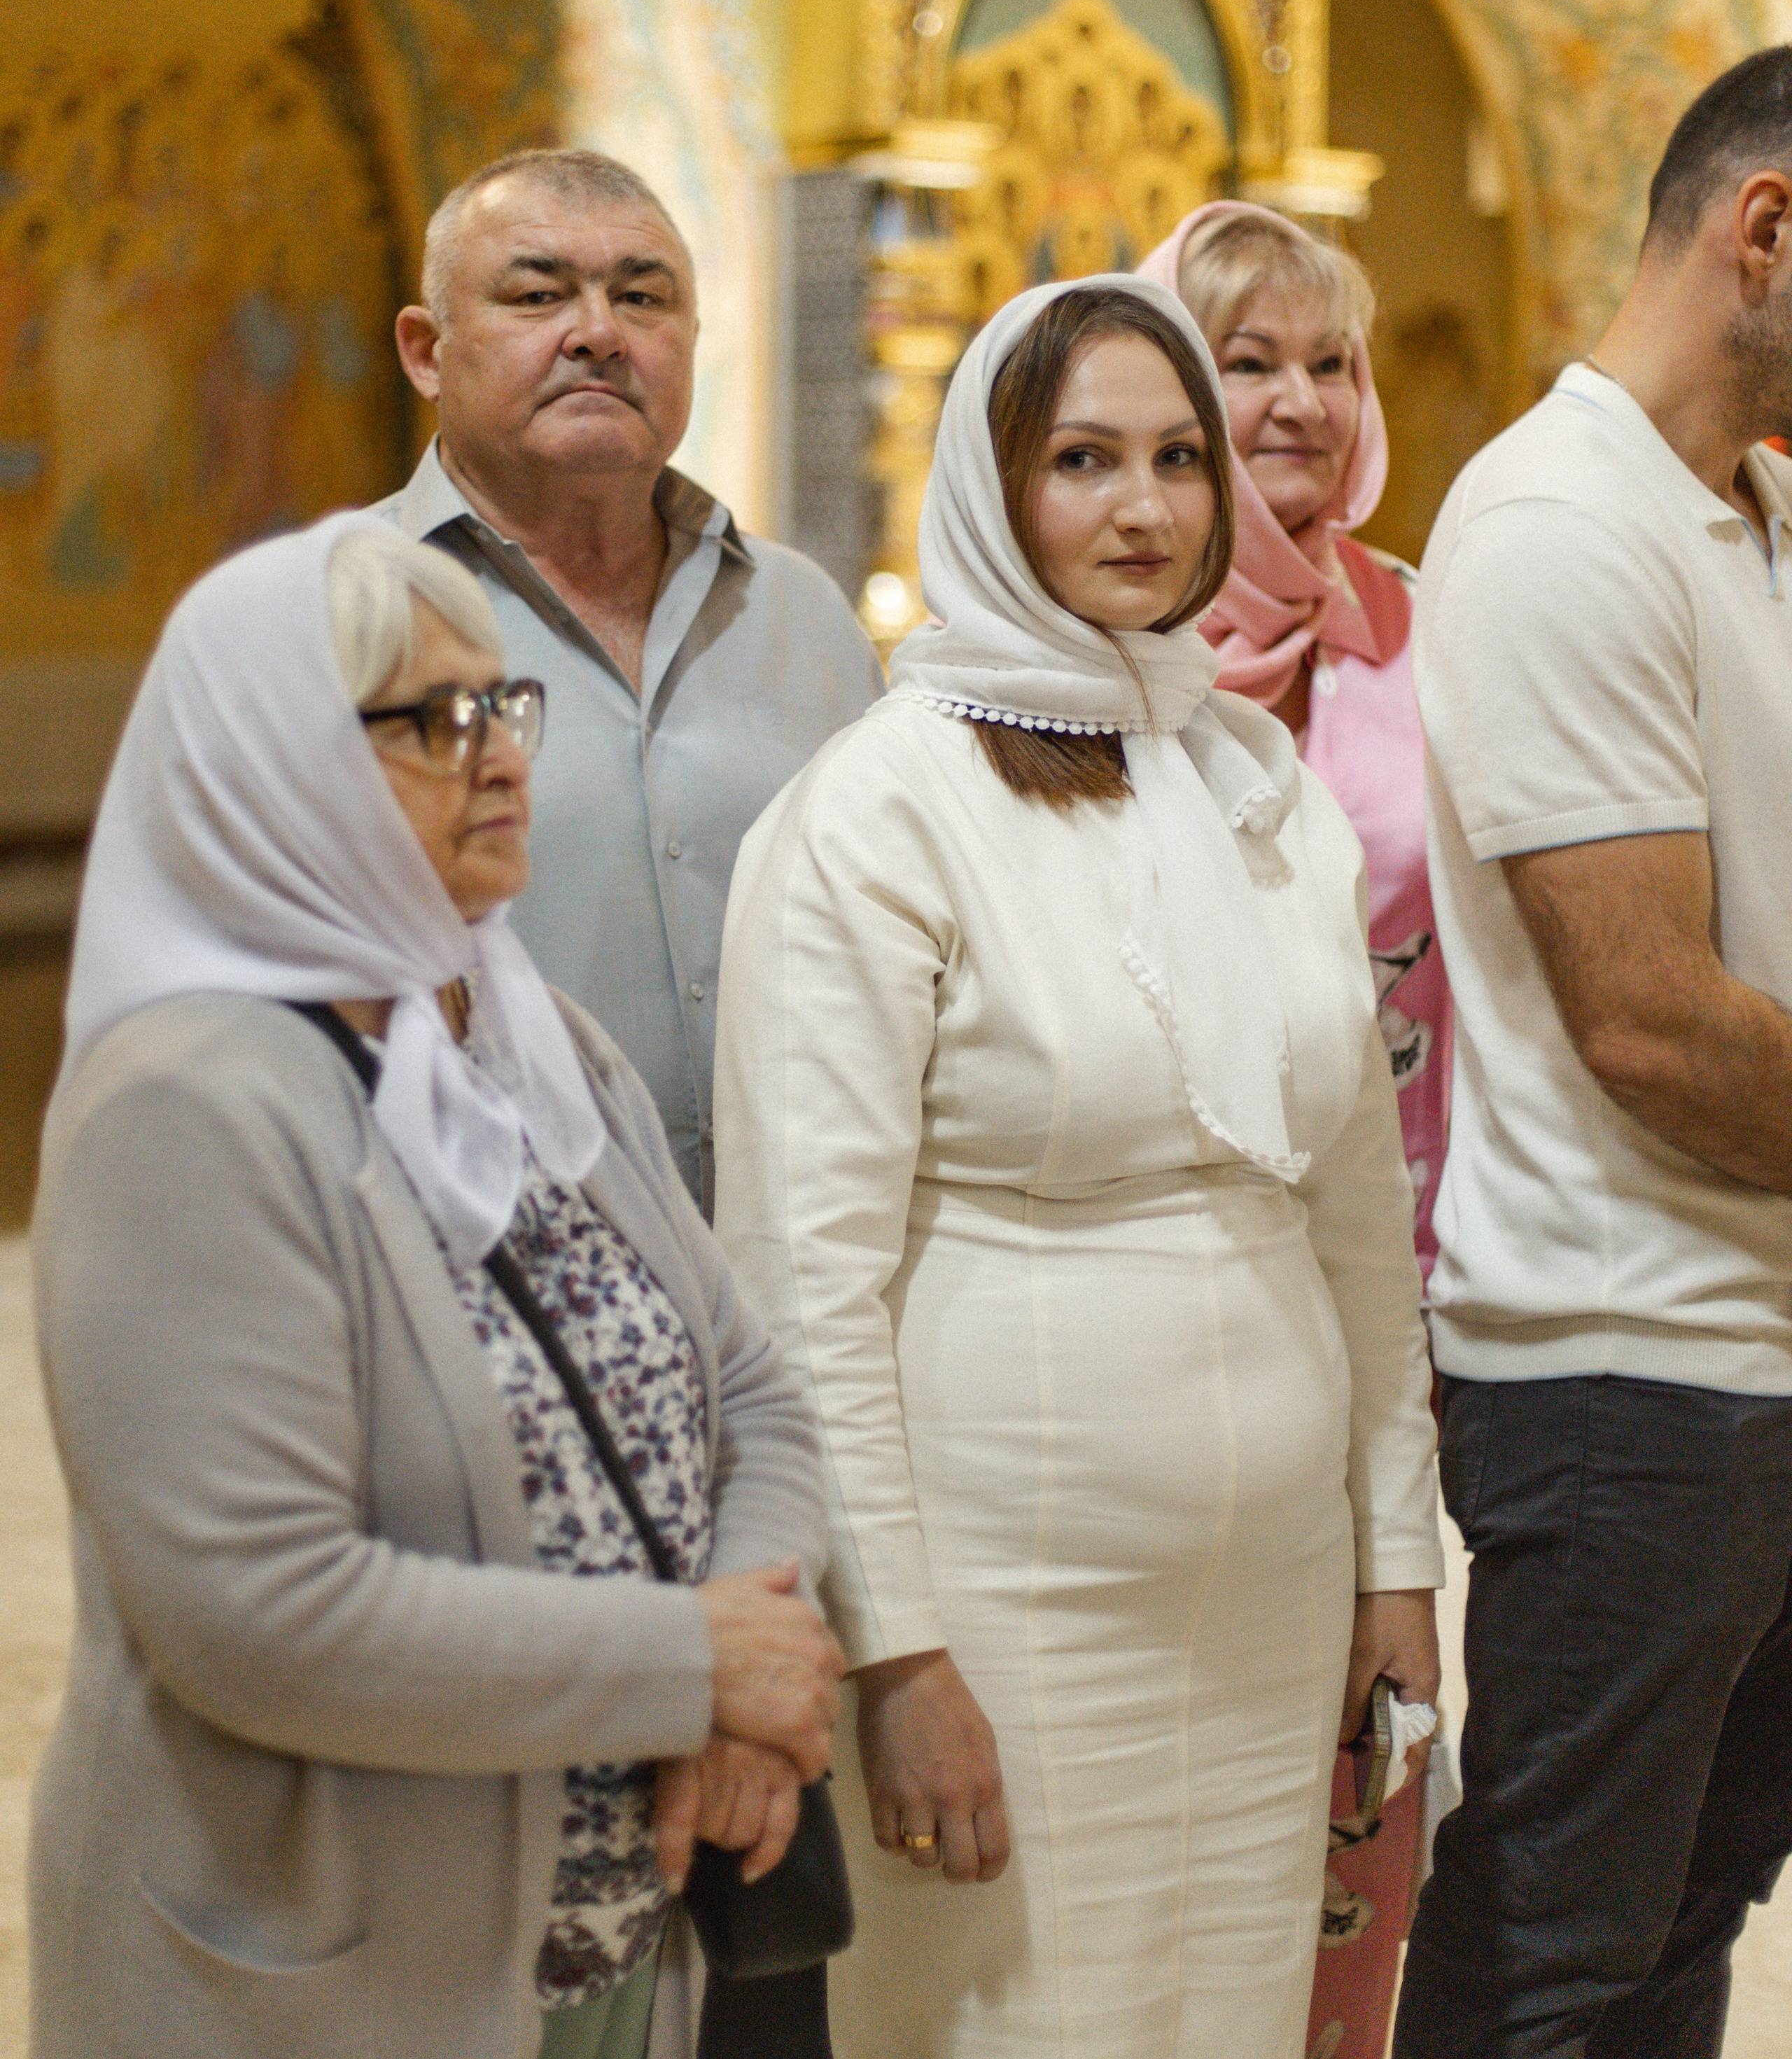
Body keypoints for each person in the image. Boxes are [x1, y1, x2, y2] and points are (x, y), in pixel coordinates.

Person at [713, 274, 1443, 2059]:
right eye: (1082, 459)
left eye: (1179, 459)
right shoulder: (881, 808)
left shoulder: (1256, 788)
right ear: (989, 484)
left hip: (1271, 1593)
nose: (1143, 507)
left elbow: (1357, 1217)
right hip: (1006, 1596)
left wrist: (1393, 1559)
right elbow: (803, 1279)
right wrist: (892, 1652)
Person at [29, 518, 843, 2059]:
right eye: (430, 717)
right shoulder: (189, 1100)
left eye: (502, 703)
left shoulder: (529, 1032)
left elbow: (749, 1392)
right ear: (273, 761)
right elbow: (258, 1610)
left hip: (612, 1934)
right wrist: (692, 1666)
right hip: (331, 1977)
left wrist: (740, 1685)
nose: (501, 755)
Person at [1392, 46, 1792, 2058]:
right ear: (1765, 230)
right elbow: (1647, 1020)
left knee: (1681, 1933)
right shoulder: (1557, 517)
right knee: (1548, 1962)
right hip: (1625, 1372)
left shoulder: (1762, 513)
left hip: (1756, 1346)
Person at [1141, 204, 1452, 2057]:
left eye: (1331, 362)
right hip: (1168, 1319)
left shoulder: (1427, 624)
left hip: (1417, 1305)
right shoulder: (1096, 651)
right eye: (1246, 360)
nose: (1301, 401)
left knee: (1364, 1773)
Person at [377, 145, 883, 1217]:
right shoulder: (342, 617)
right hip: (489, 1262)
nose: (599, 333)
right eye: (538, 295)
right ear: (426, 351)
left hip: (802, 1257)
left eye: (643, 297)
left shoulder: (801, 617)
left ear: (694, 339)